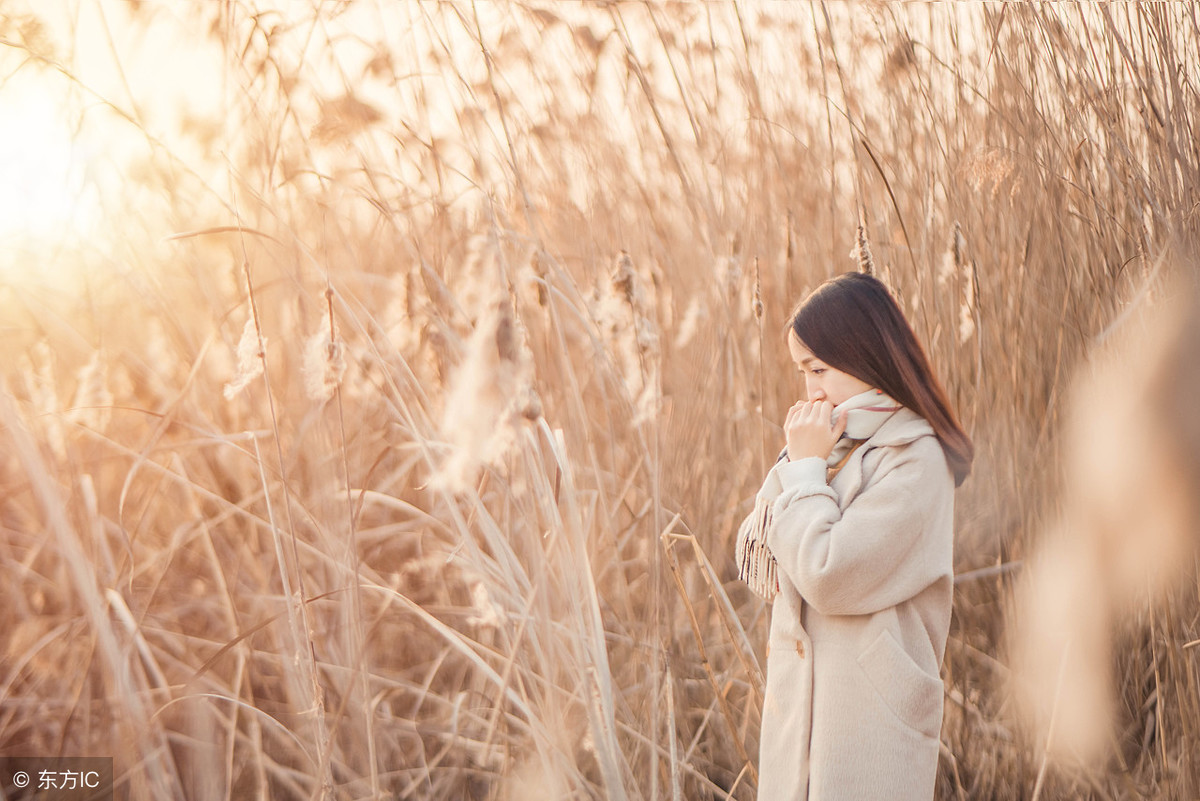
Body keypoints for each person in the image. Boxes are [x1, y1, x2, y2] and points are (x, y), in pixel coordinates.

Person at [736, 271, 973, 801]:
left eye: (818, 368)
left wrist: (805, 472)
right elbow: (758, 558)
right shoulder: (832, 446)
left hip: (869, 722)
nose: (810, 390)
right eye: (802, 372)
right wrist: (800, 464)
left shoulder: (915, 460)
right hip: (803, 714)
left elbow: (828, 574)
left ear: (864, 356)